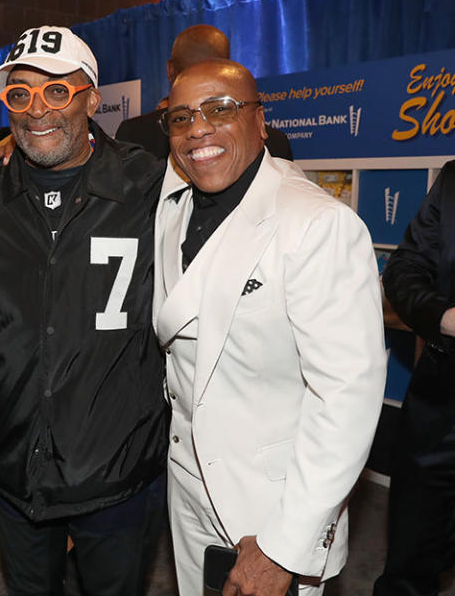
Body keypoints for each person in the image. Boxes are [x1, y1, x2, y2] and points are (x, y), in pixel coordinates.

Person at [153, 58, 385, 595]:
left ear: (262, 122)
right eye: (182, 117)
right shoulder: (172, 203)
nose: (199, 129)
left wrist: (286, 545)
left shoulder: (317, 225)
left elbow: (346, 398)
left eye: (221, 109)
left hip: (270, 504)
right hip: (187, 486)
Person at [0, 25, 169, 595]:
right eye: (20, 93)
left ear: (91, 98)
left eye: (57, 91)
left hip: (116, 467)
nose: (38, 110)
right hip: (15, 464)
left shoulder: (150, 183)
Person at [374, 162, 455, 596]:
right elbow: (404, 268)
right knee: (408, 565)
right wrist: (442, 317)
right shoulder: (453, 180)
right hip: (441, 407)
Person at [115, 25, 293, 161]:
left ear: (170, 70)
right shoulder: (276, 140)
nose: (198, 131)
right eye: (180, 120)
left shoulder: (135, 133)